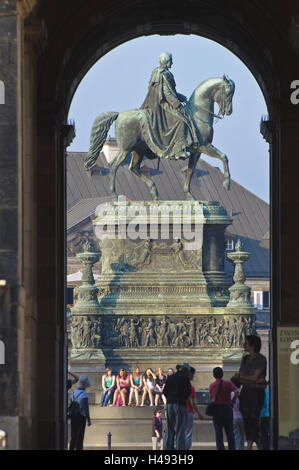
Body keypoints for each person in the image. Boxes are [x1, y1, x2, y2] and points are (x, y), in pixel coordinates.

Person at [140, 52, 199, 161]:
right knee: (181, 121)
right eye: (171, 60)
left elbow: (172, 92)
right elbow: (166, 93)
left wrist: (182, 97)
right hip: (162, 105)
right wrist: (177, 105)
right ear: (166, 61)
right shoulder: (163, 74)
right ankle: (178, 150)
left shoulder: (162, 73)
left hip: (165, 101)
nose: (172, 62)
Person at [234, 335, 267, 450]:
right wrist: (254, 379)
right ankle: (258, 444)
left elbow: (252, 377)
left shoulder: (261, 359)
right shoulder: (245, 359)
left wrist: (245, 377)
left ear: (252, 345)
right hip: (246, 391)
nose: (244, 345)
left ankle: (248, 446)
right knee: (247, 419)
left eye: (246, 343)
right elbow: (241, 378)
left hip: (256, 392)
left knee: (254, 418)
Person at [163, 362, 192, 450]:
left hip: (169, 404)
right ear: (185, 370)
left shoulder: (171, 377)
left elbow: (165, 391)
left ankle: (167, 448)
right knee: (180, 429)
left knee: (169, 428)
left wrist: (170, 398)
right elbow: (188, 392)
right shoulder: (185, 378)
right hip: (180, 404)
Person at [209, 367, 237, 450]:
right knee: (230, 432)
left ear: (214, 375)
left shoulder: (211, 385)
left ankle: (220, 448)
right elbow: (236, 391)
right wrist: (233, 400)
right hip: (227, 409)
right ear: (222, 374)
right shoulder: (228, 383)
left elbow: (212, 398)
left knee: (218, 433)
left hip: (217, 410)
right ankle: (232, 448)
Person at [69, 375, 91, 450]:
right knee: (80, 436)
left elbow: (71, 403)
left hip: (73, 415)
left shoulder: (73, 393)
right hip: (81, 416)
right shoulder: (84, 394)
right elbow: (85, 408)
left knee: (73, 436)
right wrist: (88, 419)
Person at [185, 366, 205, 450]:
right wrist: (199, 414)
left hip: (180, 412)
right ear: (189, 375)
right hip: (189, 412)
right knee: (188, 434)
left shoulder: (181, 386)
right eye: (193, 375)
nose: (193, 377)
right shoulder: (190, 387)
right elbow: (193, 403)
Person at [230, 376, 245, 450]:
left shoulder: (231, 393)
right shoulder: (244, 393)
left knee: (237, 436)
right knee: (243, 436)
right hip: (243, 417)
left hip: (234, 416)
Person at [259, 385, 270, 450]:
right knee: (265, 433)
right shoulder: (267, 391)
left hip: (262, 415)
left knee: (263, 433)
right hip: (266, 414)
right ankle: (266, 446)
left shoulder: (262, 392)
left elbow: (262, 403)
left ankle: (264, 447)